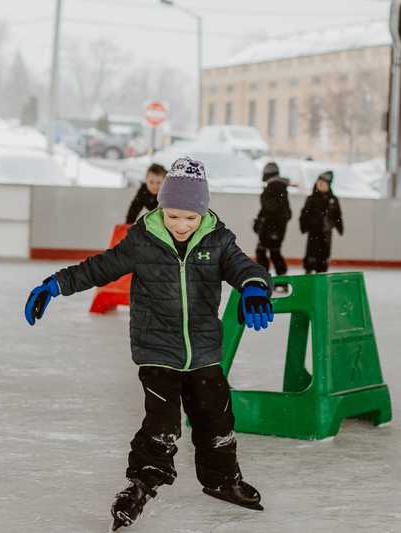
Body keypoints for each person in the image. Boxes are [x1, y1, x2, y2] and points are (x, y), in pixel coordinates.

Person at [24, 157, 275, 531]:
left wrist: (255, 287)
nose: (181, 225)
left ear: (203, 211)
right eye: (173, 216)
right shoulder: (141, 240)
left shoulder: (218, 240)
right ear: (161, 207)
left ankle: (222, 480)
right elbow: (99, 268)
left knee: (217, 419)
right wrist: (55, 284)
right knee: (162, 424)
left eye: (190, 217)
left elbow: (246, 268)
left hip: (204, 351)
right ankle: (140, 485)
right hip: (157, 350)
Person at [253, 162, 291, 288]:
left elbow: (269, 210)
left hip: (270, 227)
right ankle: (282, 279)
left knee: (262, 251)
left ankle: (263, 279)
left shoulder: (273, 189)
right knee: (274, 251)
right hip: (276, 227)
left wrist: (262, 223)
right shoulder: (280, 188)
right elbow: (286, 212)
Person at [299, 171, 343, 274]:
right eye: (319, 183)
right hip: (314, 231)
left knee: (324, 255)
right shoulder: (312, 199)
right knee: (311, 254)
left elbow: (337, 214)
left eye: (323, 183)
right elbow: (304, 214)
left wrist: (339, 226)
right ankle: (309, 273)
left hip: (326, 232)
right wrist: (304, 226)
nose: (320, 185)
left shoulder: (332, 199)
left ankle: (321, 273)